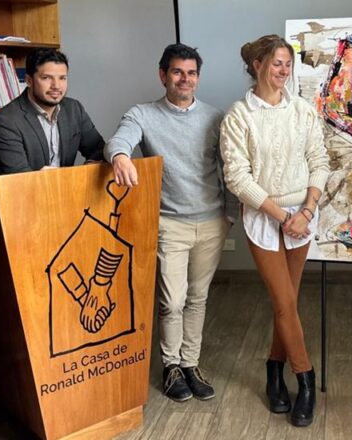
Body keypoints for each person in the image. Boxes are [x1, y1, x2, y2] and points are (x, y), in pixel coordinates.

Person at [106, 43, 231, 402]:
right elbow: (119, 140)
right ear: (163, 75)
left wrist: (230, 215)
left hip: (211, 222)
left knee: (198, 297)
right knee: (172, 301)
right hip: (169, 224)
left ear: (198, 78)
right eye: (177, 72)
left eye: (191, 73)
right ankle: (171, 365)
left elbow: (229, 167)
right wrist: (120, 156)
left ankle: (190, 364)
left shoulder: (215, 118)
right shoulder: (142, 115)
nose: (184, 79)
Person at [220, 34, 329, 427]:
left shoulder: (303, 111)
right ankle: (306, 379)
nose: (283, 71)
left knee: (289, 304)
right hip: (265, 216)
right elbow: (237, 177)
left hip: (303, 215)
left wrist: (306, 210)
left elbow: (320, 161)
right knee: (284, 303)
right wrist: (283, 217)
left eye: (287, 64)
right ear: (257, 65)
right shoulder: (239, 116)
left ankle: (273, 369)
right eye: (276, 63)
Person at [0, 48, 105, 172]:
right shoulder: (5, 122)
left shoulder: (74, 109)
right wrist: (44, 178)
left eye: (62, 78)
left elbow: (99, 150)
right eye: (46, 78)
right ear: (28, 80)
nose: (56, 86)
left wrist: (89, 167)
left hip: (69, 183)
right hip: (33, 185)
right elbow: (19, 176)